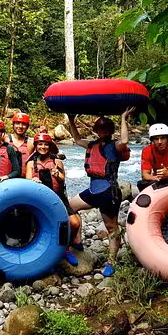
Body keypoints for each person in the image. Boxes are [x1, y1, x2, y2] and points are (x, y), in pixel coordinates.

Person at [66, 108, 135, 276]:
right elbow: (76, 139)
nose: (102, 131)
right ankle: (76, 241)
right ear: (96, 130)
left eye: (106, 128)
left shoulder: (115, 147)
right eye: (100, 128)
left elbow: (124, 140)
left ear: (110, 131)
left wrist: (123, 118)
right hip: (92, 190)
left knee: (112, 228)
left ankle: (111, 262)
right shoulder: (91, 145)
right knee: (68, 208)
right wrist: (72, 120)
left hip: (108, 192)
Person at [25, 133, 80, 266]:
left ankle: (66, 248)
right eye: (40, 144)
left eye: (45, 144)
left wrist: (57, 174)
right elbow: (27, 180)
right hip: (40, 200)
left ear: (49, 146)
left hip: (58, 196)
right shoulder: (31, 163)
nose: (43, 147)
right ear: (36, 146)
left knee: (74, 223)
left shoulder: (57, 161)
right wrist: (33, 180)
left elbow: (62, 179)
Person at [9, 112, 34, 177]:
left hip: (25, 180)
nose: (20, 126)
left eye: (23, 124)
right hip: (7, 179)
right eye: (17, 123)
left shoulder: (31, 142)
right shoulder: (5, 139)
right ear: (13, 125)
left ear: (27, 127)